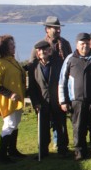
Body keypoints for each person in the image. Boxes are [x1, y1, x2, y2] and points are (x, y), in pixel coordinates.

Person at [59, 33, 91, 161]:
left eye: (87, 43)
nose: (85, 46)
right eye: (82, 43)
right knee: (78, 127)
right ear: (77, 44)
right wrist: (63, 100)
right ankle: (79, 151)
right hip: (77, 100)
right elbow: (62, 81)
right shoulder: (70, 59)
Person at [30, 16, 72, 152]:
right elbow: (33, 68)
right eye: (55, 28)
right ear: (47, 30)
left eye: (58, 28)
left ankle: (61, 145)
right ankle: (44, 148)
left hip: (59, 90)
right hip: (44, 91)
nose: (58, 30)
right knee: (44, 123)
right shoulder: (39, 46)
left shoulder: (64, 44)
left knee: (60, 122)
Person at [0, 35, 26, 163]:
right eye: (11, 45)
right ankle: (2, 155)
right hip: (7, 100)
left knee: (15, 125)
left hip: (17, 99)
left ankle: (12, 150)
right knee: (9, 125)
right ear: (3, 47)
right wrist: (9, 94)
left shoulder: (12, 61)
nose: (14, 46)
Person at [27, 40, 68, 157]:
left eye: (45, 49)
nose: (42, 52)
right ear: (37, 53)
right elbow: (32, 88)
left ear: (49, 51)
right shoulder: (33, 67)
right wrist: (35, 103)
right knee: (43, 128)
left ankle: (62, 149)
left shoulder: (59, 63)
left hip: (57, 101)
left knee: (60, 126)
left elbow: (63, 82)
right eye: (39, 50)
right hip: (42, 102)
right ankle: (43, 151)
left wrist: (64, 100)